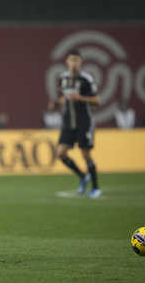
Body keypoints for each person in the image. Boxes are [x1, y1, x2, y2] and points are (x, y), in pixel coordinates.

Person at [56, 50, 102, 198]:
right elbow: (62, 98)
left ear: (81, 62)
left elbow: (96, 100)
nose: (74, 63)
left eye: (76, 60)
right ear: (66, 62)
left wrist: (80, 98)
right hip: (69, 122)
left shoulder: (86, 79)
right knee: (60, 153)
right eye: (71, 60)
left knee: (85, 154)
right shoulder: (62, 79)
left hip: (84, 122)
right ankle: (83, 176)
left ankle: (95, 187)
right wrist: (56, 104)